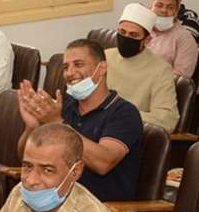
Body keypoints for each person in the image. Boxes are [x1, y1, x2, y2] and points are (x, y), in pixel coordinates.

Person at [16, 40, 143, 202]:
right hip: (55, 198)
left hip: (98, 205)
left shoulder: (124, 113)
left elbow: (103, 163)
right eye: (65, 67)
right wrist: (32, 127)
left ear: (102, 68)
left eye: (78, 64)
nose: (69, 73)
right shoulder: (65, 105)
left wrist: (57, 123)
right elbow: (24, 158)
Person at [104, 3, 179, 132]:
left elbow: (167, 120)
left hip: (129, 132)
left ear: (147, 40)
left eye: (133, 35)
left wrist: (122, 113)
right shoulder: (105, 56)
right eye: (122, 32)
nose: (126, 38)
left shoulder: (161, 70)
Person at [147, 0, 198, 78]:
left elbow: (181, 76)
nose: (164, 10)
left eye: (170, 7)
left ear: (176, 12)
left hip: (161, 84)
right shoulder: (141, 30)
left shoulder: (185, 38)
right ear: (151, 8)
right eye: (159, 5)